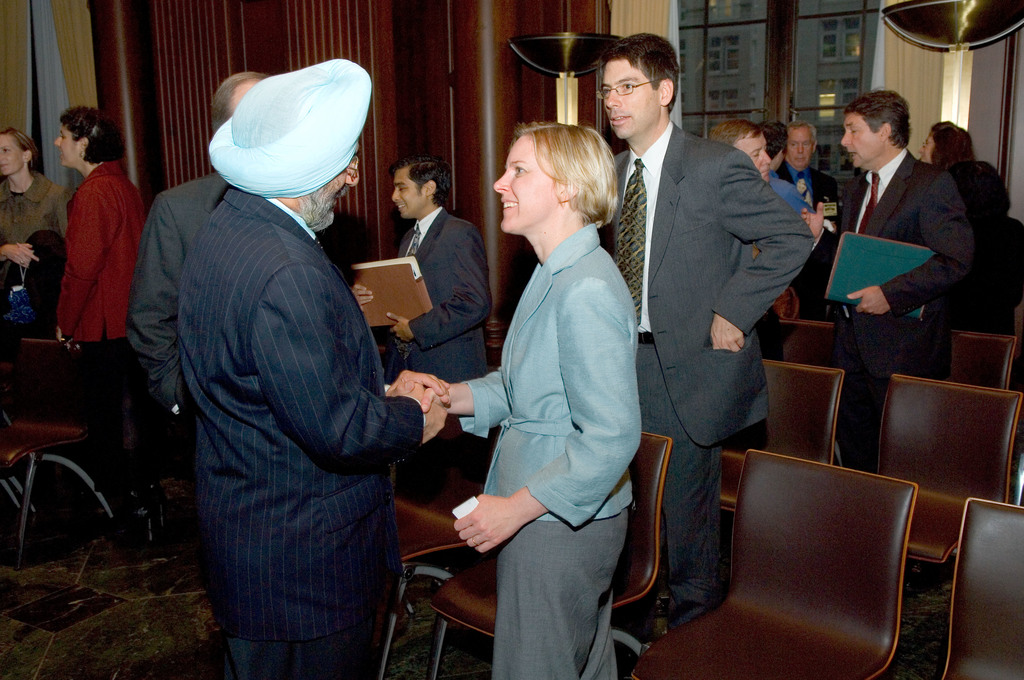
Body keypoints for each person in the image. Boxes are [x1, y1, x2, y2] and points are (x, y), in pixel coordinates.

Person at [177, 60, 449, 680]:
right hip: (305, 566)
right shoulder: (289, 269)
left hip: (250, 539)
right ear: (304, 174)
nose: (351, 179)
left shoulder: (226, 229)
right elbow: (338, 431)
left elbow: (270, 384)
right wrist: (411, 414)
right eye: (344, 164)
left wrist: (374, 390)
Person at [598, 33, 812, 628]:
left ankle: (693, 638)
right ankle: (630, 627)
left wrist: (733, 310)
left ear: (664, 91)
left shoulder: (715, 166)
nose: (614, 101)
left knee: (687, 520)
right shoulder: (613, 172)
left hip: (689, 370)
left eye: (627, 87)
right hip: (622, 364)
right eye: (607, 90)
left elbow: (792, 238)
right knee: (629, 508)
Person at [446, 121, 640, 680]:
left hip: (557, 518)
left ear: (567, 189)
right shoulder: (554, 270)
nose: (499, 183)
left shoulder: (585, 288)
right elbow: (524, 389)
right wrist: (449, 397)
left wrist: (514, 508)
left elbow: (612, 438)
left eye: (519, 171)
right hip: (552, 510)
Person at [832, 90, 973, 473]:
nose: (844, 141)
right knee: (857, 462)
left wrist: (891, 296)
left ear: (886, 132)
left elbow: (955, 260)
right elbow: (853, 257)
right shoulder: (856, 187)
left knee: (902, 466)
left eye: (853, 131)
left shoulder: (930, 184)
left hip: (903, 352)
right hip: (850, 350)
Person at [127, 71, 265, 416]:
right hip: (216, 415)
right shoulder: (179, 208)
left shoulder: (308, 202)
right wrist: (178, 395)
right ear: (224, 131)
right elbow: (149, 317)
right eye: (254, 114)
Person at [54, 106, 148, 512]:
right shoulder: (122, 185)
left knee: (104, 420)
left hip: (103, 324)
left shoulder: (94, 191)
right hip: (128, 321)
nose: (57, 143)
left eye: (63, 136)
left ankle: (111, 506)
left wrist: (64, 322)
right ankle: (136, 499)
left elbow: (82, 268)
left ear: (84, 143)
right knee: (132, 419)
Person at [372, 154, 490, 384]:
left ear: (428, 188)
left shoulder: (460, 233)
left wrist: (416, 329)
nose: (394, 197)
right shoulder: (408, 237)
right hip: (406, 368)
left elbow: (475, 302)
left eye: (401, 188)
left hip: (448, 371)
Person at [0, 128, 72, 358]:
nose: (0, 157)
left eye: (5, 150)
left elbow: (70, 251)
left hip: (47, 300)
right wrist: (4, 251)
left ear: (26, 155)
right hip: (6, 301)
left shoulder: (56, 196)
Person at [947, 160, 1024, 336]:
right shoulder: (1013, 229)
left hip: (954, 329)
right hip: (997, 332)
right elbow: (1013, 295)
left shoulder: (953, 231)